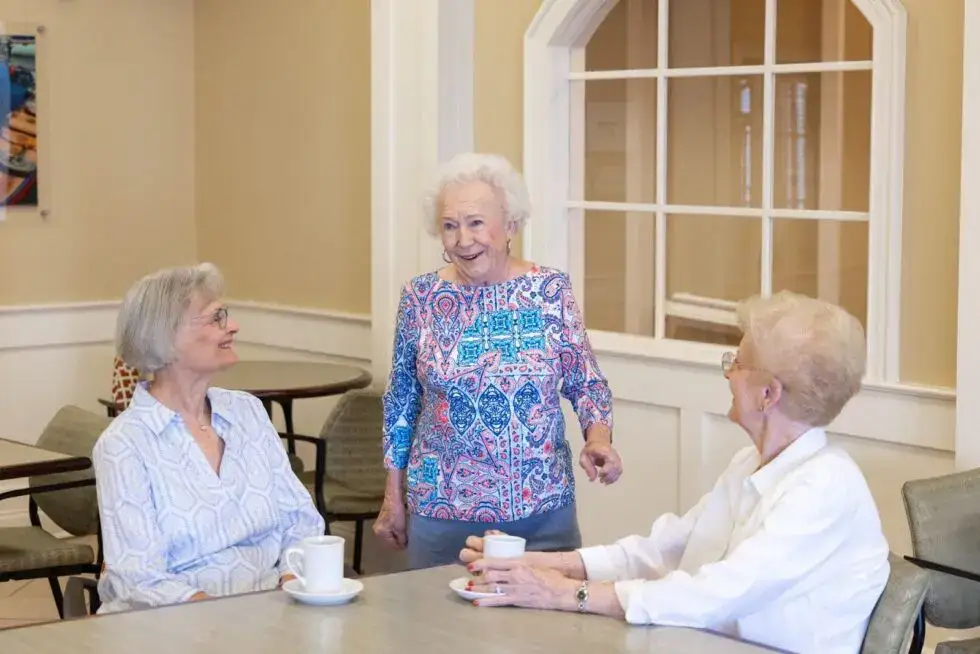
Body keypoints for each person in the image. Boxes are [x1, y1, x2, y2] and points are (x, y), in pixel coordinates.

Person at [461, 292, 889, 654]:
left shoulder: (826, 486)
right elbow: (665, 549)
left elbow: (718, 593)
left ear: (767, 394)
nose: (728, 374)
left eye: (737, 363)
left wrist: (563, 593)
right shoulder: (751, 463)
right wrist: (538, 563)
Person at [374, 152, 623, 569]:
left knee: (548, 613)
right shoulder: (420, 298)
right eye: (450, 226)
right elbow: (402, 403)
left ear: (510, 225)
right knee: (431, 614)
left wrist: (598, 439)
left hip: (543, 515)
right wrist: (392, 496)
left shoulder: (550, 291)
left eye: (475, 223)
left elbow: (586, 382)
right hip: (441, 513)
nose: (462, 240)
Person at [93, 263, 324, 613]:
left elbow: (301, 521)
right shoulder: (123, 445)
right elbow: (138, 577)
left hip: (269, 614)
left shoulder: (247, 412)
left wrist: (292, 583)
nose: (233, 326)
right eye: (217, 317)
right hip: (171, 624)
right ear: (167, 335)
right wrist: (220, 621)